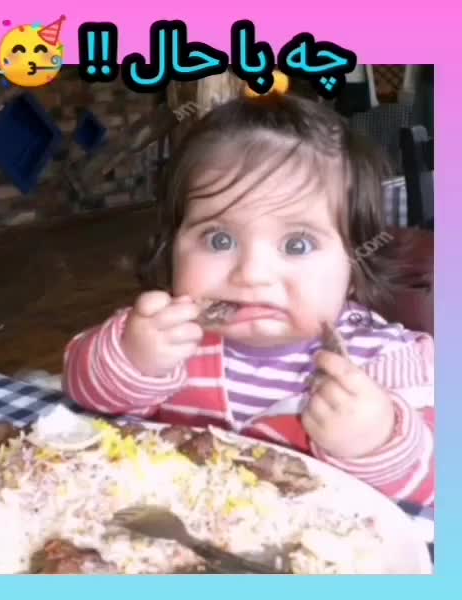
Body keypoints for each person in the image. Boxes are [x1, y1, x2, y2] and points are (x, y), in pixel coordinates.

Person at [62, 91, 434, 508]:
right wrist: (132, 361)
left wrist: (378, 442)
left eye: (297, 244)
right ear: (172, 250)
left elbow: (439, 485)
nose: (251, 274)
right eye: (219, 239)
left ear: (354, 265)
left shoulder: (387, 363)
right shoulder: (166, 338)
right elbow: (83, 393)